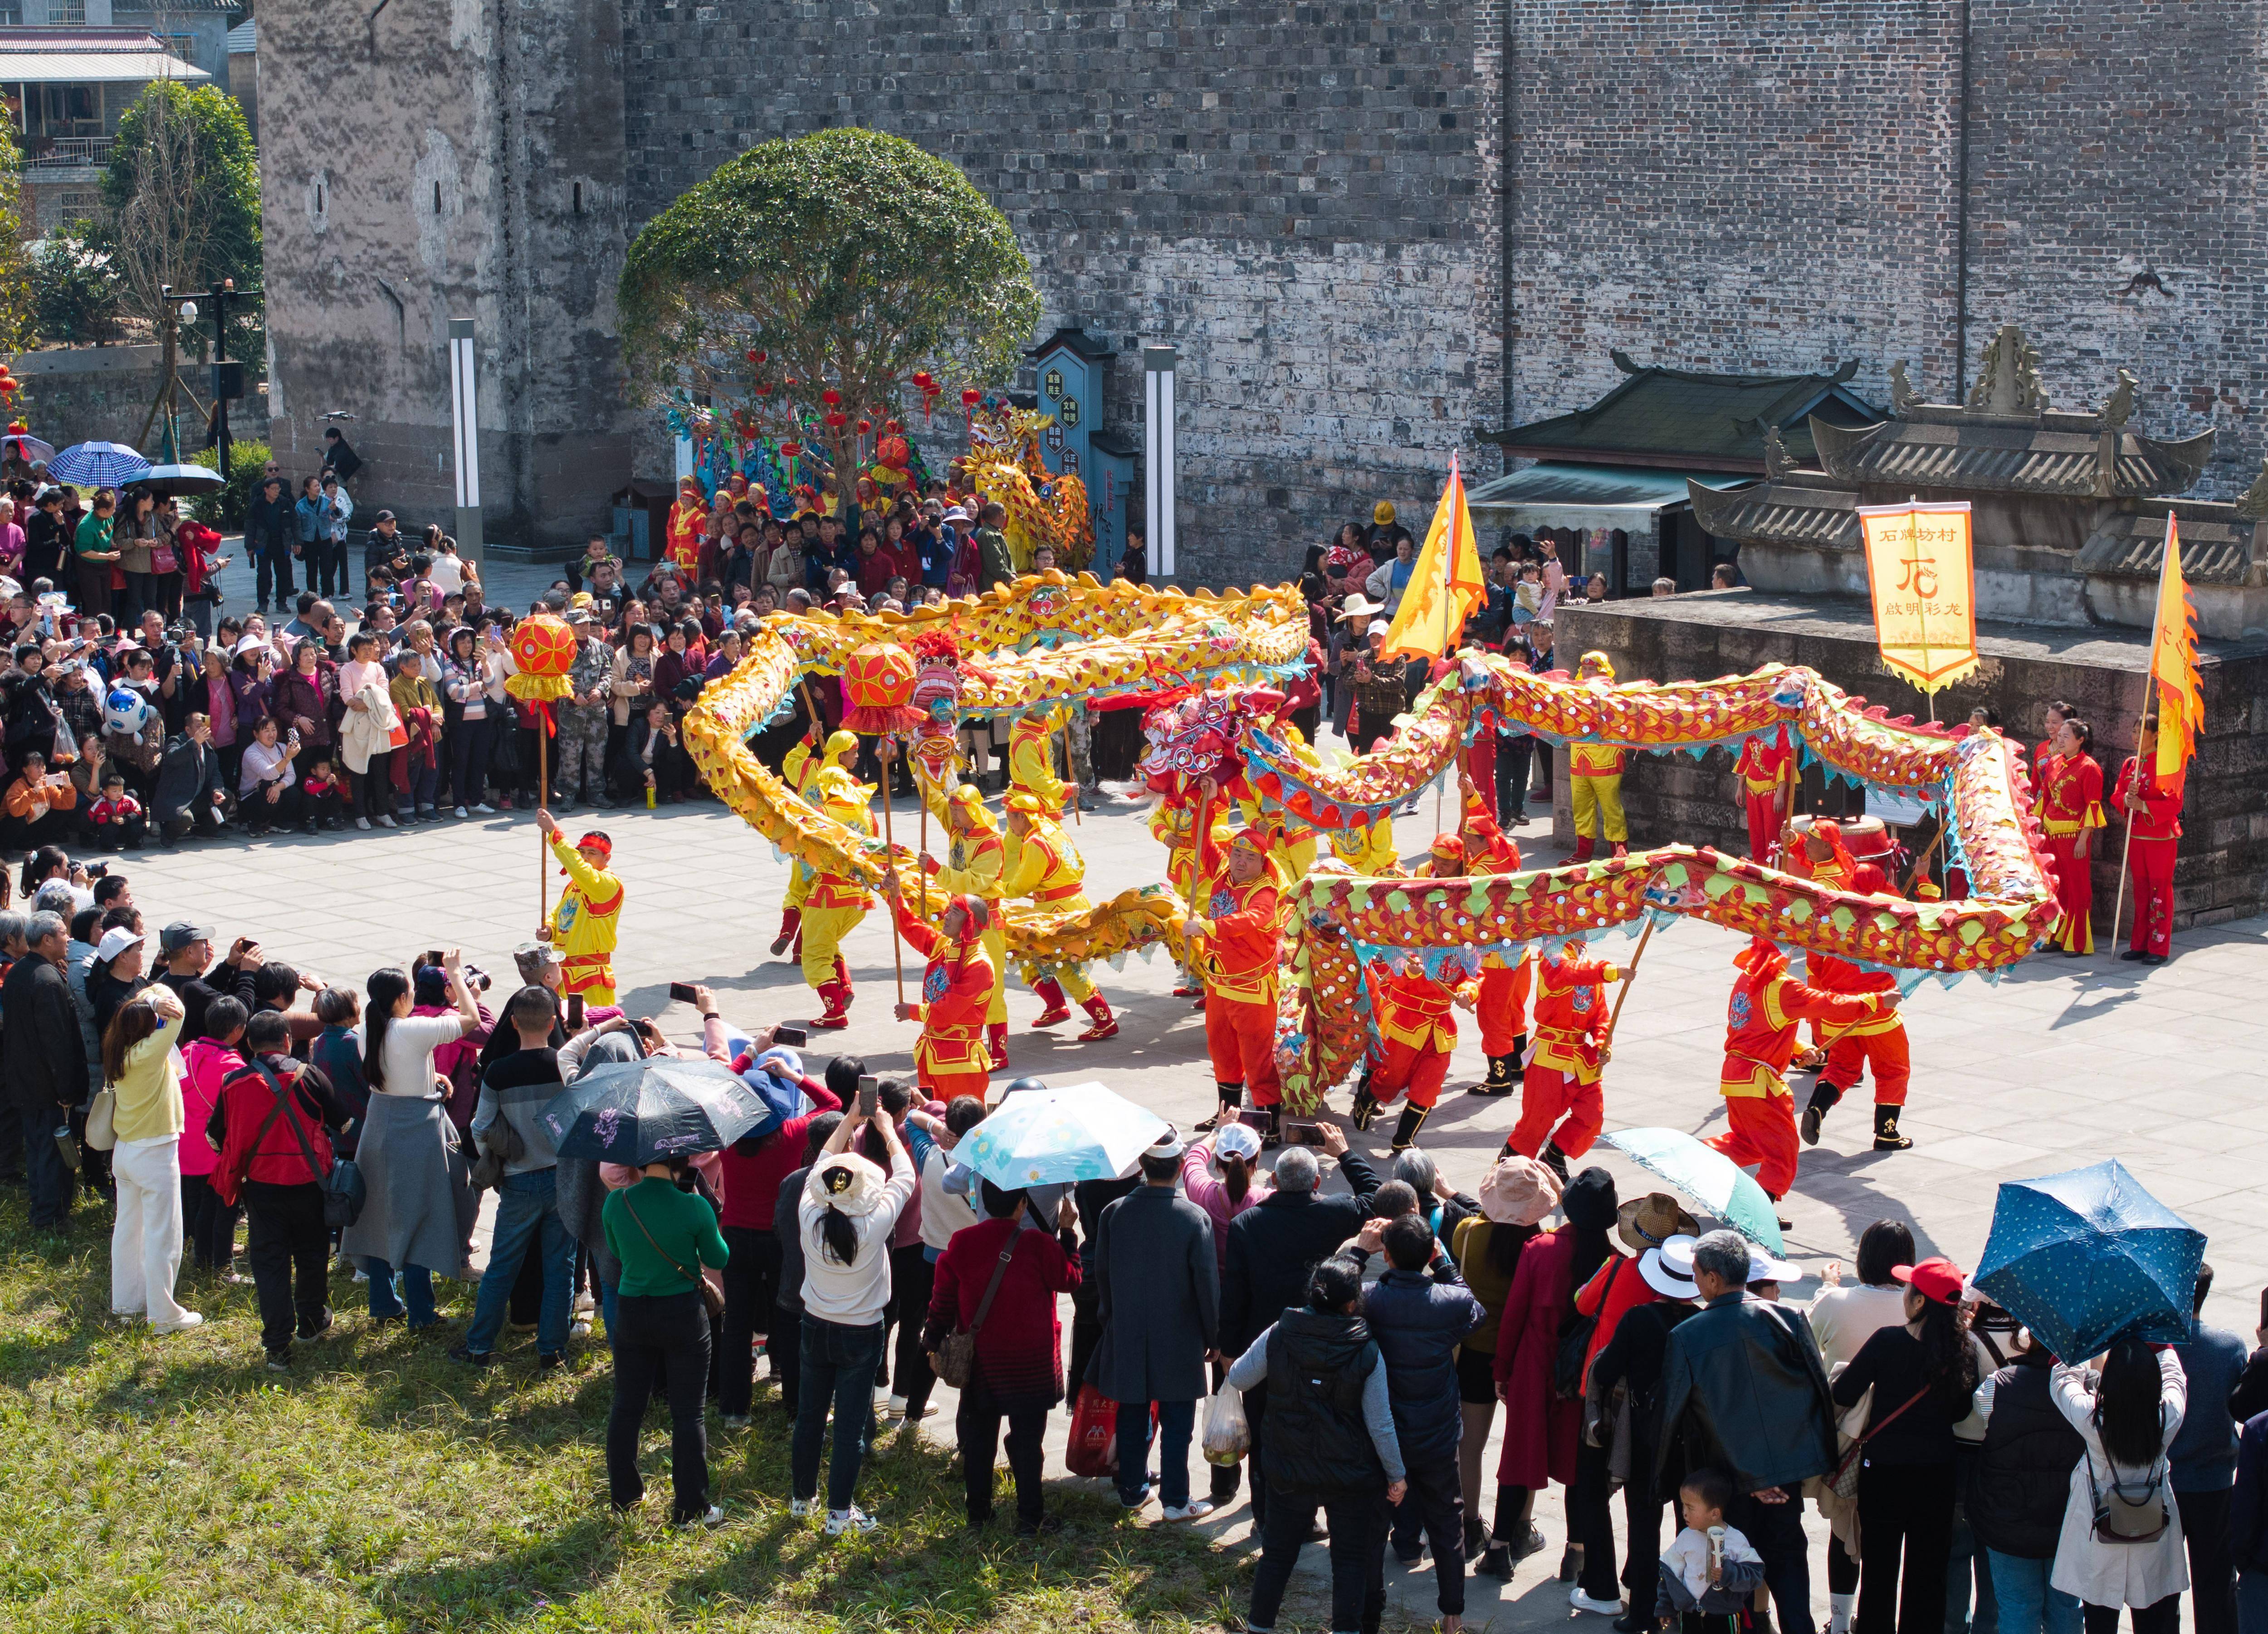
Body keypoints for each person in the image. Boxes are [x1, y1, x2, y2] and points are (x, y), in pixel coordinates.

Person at [1656, 1229, 1840, 1634]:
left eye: (1697, 1274)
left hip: (1721, 1490)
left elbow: (1675, 1417)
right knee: (1789, 1567)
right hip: (1783, 1482)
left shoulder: (1686, 1336)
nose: (1696, 1282)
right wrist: (1799, 1470)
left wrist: (1660, 1484)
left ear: (1714, 1280)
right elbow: (1815, 1399)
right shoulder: (1788, 1319)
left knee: (1720, 1583)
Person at [1230, 1254, 1407, 1634]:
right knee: (1349, 1561)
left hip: (1287, 1464)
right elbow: (1380, 1424)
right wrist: (1397, 1474)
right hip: (1350, 1473)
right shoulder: (1367, 1350)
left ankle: (1259, 1627)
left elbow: (1239, 1377)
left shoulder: (1280, 1332)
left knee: (1277, 1555)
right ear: (1351, 1304)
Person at [1221, 1132, 1384, 1529]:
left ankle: (1267, 1514)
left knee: (1265, 1429)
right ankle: (1310, 1513)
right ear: (1316, 1183)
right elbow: (1377, 1195)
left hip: (1266, 1343)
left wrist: (1228, 1349)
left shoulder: (1245, 1224)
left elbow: (1234, 1292)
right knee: (1318, 1426)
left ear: (1273, 1182)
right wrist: (1344, 1153)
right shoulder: (1336, 1212)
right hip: (1323, 1340)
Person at [1826, 1255, 1980, 1634]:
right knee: (1927, 1579)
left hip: (1885, 1475)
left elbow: (1844, 1392)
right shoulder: (1964, 1352)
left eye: (1910, 1288)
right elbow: (1960, 1414)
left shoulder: (1887, 1342)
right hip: (1938, 1476)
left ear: (1920, 1301)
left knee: (1879, 1576)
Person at [922, 1177, 1083, 1535]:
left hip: (982, 1364)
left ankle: (978, 1517)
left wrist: (931, 1341)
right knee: (1028, 1442)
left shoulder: (962, 1243)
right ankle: (1030, 1519)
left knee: (979, 1441)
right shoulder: (1039, 1244)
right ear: (1022, 1206)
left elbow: (943, 1302)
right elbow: (1070, 1279)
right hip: (1032, 1362)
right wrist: (1069, 1236)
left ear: (981, 1203)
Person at [339, 957, 480, 1329]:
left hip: (379, 1123)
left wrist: (433, 1079)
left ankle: (384, 1304)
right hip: (417, 1128)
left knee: (379, 1215)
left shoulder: (369, 1030)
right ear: (403, 997)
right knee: (422, 1216)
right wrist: (455, 975)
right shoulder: (414, 1029)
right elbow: (472, 1020)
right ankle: (421, 1313)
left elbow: (395, 1073)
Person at [1489, 1165, 1616, 1578]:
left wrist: (1502, 1370)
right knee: (1579, 1467)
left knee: (1518, 1460)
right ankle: (1574, 1555)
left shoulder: (1539, 1250)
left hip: (1532, 1368)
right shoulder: (1614, 1264)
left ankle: (1499, 1549)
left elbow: (1513, 1318)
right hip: (1581, 1380)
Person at [794, 1100, 914, 1533]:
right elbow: (906, 1176)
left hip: (814, 1324)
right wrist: (885, 1128)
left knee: (810, 1416)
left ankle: (801, 1499)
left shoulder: (808, 1213)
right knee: (848, 1426)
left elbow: (820, 1163)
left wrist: (849, 1120)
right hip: (861, 1332)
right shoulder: (874, 1223)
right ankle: (840, 1513)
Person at [1089, 1125, 1219, 1520]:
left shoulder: (1114, 1213)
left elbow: (1103, 1277)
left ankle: (1132, 1490)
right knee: (1178, 1421)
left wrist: (1109, 1319)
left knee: (1131, 1413)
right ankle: (1177, 1502)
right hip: (1179, 1337)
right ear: (1182, 1167)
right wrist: (1213, 1336)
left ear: (1142, 1166)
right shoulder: (1194, 1218)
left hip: (1127, 1329)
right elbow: (1207, 1286)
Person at [210, 1009, 351, 1369]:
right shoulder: (311, 1076)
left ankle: (277, 1348)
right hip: (309, 1185)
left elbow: (215, 1139)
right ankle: (311, 1322)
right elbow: (344, 1124)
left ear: (250, 1044)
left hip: (261, 1189)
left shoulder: (234, 1081)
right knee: (312, 1254)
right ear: (288, 1039)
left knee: (269, 1265)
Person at [1366, 1212, 1487, 1629]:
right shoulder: (1449, 1303)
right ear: (1428, 1253)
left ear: (1387, 1254)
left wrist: (1358, 1253)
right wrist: (1446, 1265)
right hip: (1436, 1432)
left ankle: (1370, 1607)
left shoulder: (1370, 1300)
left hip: (1384, 1434)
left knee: (1373, 1522)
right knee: (1446, 1522)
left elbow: (1324, 1294)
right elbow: (1477, 1312)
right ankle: (1452, 1613)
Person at [1710, 935, 1884, 1212]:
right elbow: (1829, 1004)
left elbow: (1757, 1028)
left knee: (1749, 1144)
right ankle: (1758, 1213)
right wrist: (1876, 1000)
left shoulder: (1748, 978)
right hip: (1758, 1081)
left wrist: (1799, 1049)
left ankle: (1696, 1156)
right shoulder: (1782, 986)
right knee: (1782, 1153)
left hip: (1737, 1076)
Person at [452, 985, 576, 1369]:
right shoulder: (564, 1066)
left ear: (514, 1023)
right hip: (562, 1179)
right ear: (554, 1022)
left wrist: (505, 1148)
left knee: (502, 1267)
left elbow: (481, 1126)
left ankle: (479, 1347)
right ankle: (552, 1351)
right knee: (561, 1269)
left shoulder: (499, 1073)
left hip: (519, 1182)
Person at [1809, 1219, 1923, 1634]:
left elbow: (1812, 1340)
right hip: (1902, 1441)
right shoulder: (1919, 1309)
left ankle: (1839, 1623)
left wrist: (1827, 1287)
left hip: (1845, 1444)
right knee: (1892, 1541)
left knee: (1844, 1531)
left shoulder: (1834, 1303)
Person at [603, 1151, 729, 1526]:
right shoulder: (694, 1206)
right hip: (683, 1315)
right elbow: (718, 1258)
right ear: (681, 1165)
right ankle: (692, 1509)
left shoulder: (617, 1200)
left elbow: (615, 1250)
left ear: (639, 1161)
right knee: (688, 1413)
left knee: (627, 1406)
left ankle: (625, 1498)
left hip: (631, 1310)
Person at [1455, 1157, 1559, 1571]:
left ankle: (1468, 1525)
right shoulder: (1543, 1246)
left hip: (1475, 1352)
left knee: (1470, 1447)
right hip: (1523, 1358)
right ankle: (1520, 1528)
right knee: (1524, 1447)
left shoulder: (1467, 1234)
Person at [2050, 1340, 2190, 1634]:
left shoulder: (2092, 1418)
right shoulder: (2167, 1417)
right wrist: (2158, 1341)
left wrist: (2078, 1344)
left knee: (2099, 1624)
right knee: (2154, 1621)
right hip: (2153, 1533)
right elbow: (2176, 1376)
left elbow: (2062, 1380)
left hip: (2099, 1534)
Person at [1974, 1323, 2088, 1634]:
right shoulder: (2086, 1391)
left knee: (2016, 1609)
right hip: (2069, 1524)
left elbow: (1981, 1420)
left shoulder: (1997, 1385)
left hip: (2009, 1520)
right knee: (2066, 1610)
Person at [104, 980, 203, 1332]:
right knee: (165, 1235)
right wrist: (156, 999)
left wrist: (146, 1006)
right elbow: (178, 1012)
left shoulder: (119, 1050)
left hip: (126, 1153)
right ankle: (164, 1315)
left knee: (129, 1231)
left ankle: (128, 1303)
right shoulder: (148, 1053)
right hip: (155, 1154)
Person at [1186, 805, 1287, 1138]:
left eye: (1249, 857)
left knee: (1258, 1060)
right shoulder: (1221, 874)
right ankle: (1226, 1117)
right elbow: (1200, 842)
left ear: (1262, 863)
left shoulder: (1265, 891)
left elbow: (1252, 920)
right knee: (1222, 1053)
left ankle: (1269, 1127)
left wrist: (1208, 928)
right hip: (1218, 983)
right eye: (1236, 853)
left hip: (1252, 989)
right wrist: (1206, 803)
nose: (1240, 861)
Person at [999, 790, 1118, 1041]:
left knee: (1066, 967)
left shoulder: (1035, 843)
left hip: (1056, 911)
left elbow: (1023, 885)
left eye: (1010, 819)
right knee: (1028, 954)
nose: (1009, 826)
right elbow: (1081, 864)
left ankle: (1104, 1020)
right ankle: (1055, 1006)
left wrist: (998, 889)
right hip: (1070, 903)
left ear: (1022, 818)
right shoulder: (1055, 831)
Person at [914, 775, 1012, 1070]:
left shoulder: (991, 842)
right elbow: (934, 800)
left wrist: (935, 870)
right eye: (953, 810)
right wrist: (919, 766)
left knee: (989, 985)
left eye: (958, 810)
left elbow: (975, 883)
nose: (953, 814)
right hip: (958, 917)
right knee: (958, 980)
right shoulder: (959, 827)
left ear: (972, 809)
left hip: (984, 921)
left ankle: (1000, 1052)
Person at [2173, 1264, 2247, 1634]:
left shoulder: (2157, 1346)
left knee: (2160, 1587)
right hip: (2214, 1481)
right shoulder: (2228, 1347)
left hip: (2164, 1483)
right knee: (2216, 1583)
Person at [1511, 935, 1624, 1176]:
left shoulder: (1588, 963)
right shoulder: (1551, 956)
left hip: (1582, 1058)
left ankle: (1553, 1157)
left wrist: (1603, 1043)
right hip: (1550, 1055)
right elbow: (1567, 972)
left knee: (1592, 1117)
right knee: (1536, 1124)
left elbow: (1601, 1015)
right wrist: (1610, 971)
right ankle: (1506, 1174)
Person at [5, 907, 88, 1231]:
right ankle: (51, 1218)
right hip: (48, 1089)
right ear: (46, 939)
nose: (68, 939)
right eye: (62, 934)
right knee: (53, 1153)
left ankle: (42, 1210)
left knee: (38, 1148)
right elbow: (58, 1044)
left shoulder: (21, 972)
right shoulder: (47, 981)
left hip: (26, 1081)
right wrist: (67, 1090)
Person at [883, 881, 997, 1104]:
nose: (946, 915)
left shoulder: (979, 964)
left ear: (970, 922)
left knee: (961, 1127)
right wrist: (896, 897)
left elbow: (948, 1012)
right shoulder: (944, 945)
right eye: (949, 910)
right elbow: (913, 928)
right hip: (930, 1055)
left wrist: (913, 1011)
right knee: (931, 1121)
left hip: (961, 1064)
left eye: (955, 912)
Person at [798, 768, 875, 1029]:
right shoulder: (867, 813)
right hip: (859, 896)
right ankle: (843, 989)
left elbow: (803, 852)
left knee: (814, 955)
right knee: (827, 944)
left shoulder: (822, 814)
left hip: (829, 896)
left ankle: (835, 1013)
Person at [1656, 1467, 1768, 1634]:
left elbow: (1755, 1576)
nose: (1684, 1513)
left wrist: (1728, 1573)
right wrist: (1665, 1607)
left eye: (1690, 1508)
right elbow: (1670, 1573)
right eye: (1683, 1506)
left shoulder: (1735, 1540)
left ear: (1715, 1513)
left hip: (1724, 1616)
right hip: (1689, 1615)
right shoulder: (1686, 1537)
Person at [2033, 716, 2106, 957]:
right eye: (2060, 735)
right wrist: (2039, 827)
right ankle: (2055, 935)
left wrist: (2083, 840)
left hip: (2073, 835)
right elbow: (2046, 796)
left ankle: (2077, 940)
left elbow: (2092, 806)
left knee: (2077, 888)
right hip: (2051, 833)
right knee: (2055, 887)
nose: (2060, 739)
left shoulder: (2090, 768)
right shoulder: (2054, 762)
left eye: (2066, 736)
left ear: (2081, 740)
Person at [2113, 718, 2184, 964]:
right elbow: (2117, 794)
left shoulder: (2168, 765)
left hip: (2160, 837)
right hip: (2136, 836)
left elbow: (2175, 803)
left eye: (2141, 731)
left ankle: (2159, 947)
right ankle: (2139, 943)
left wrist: (2144, 805)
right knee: (2141, 892)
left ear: (2156, 735)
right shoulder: (2131, 763)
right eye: (2133, 731)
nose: (2135, 736)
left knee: (2159, 891)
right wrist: (2126, 799)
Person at [1569, 651, 1628, 862]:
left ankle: (1619, 853)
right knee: (1581, 808)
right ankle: (1583, 854)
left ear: (1601, 671)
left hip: (1606, 761)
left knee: (1612, 810)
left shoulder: (1614, 695)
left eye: (1591, 670)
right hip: (1579, 760)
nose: (1587, 674)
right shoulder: (1572, 693)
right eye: (1584, 669)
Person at [1736, 726, 1796, 862]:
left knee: (1773, 835)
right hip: (1752, 789)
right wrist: (1740, 787)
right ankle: (1759, 869)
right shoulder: (1754, 726)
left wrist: (1780, 792)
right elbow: (1746, 756)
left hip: (1772, 789)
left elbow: (1787, 760)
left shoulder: (1783, 729)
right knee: (1756, 835)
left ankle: (1774, 872)